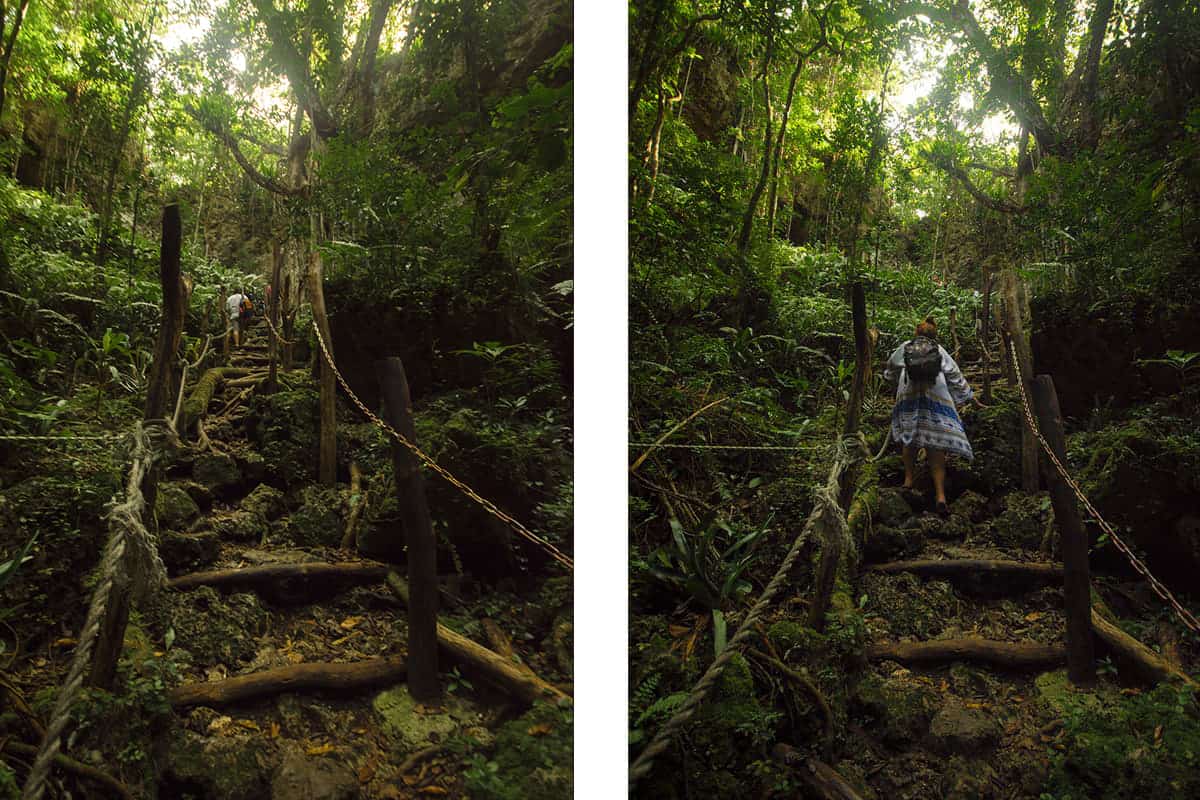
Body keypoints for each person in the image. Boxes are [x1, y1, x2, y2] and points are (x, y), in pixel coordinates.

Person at [884, 316, 984, 515]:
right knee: (936, 445)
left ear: (916, 332)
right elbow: (955, 375)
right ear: (934, 335)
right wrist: (969, 398)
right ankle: (940, 496)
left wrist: (894, 381)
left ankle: (908, 481)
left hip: (909, 393)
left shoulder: (906, 347)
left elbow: (890, 368)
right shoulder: (938, 350)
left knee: (909, 437)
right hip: (934, 392)